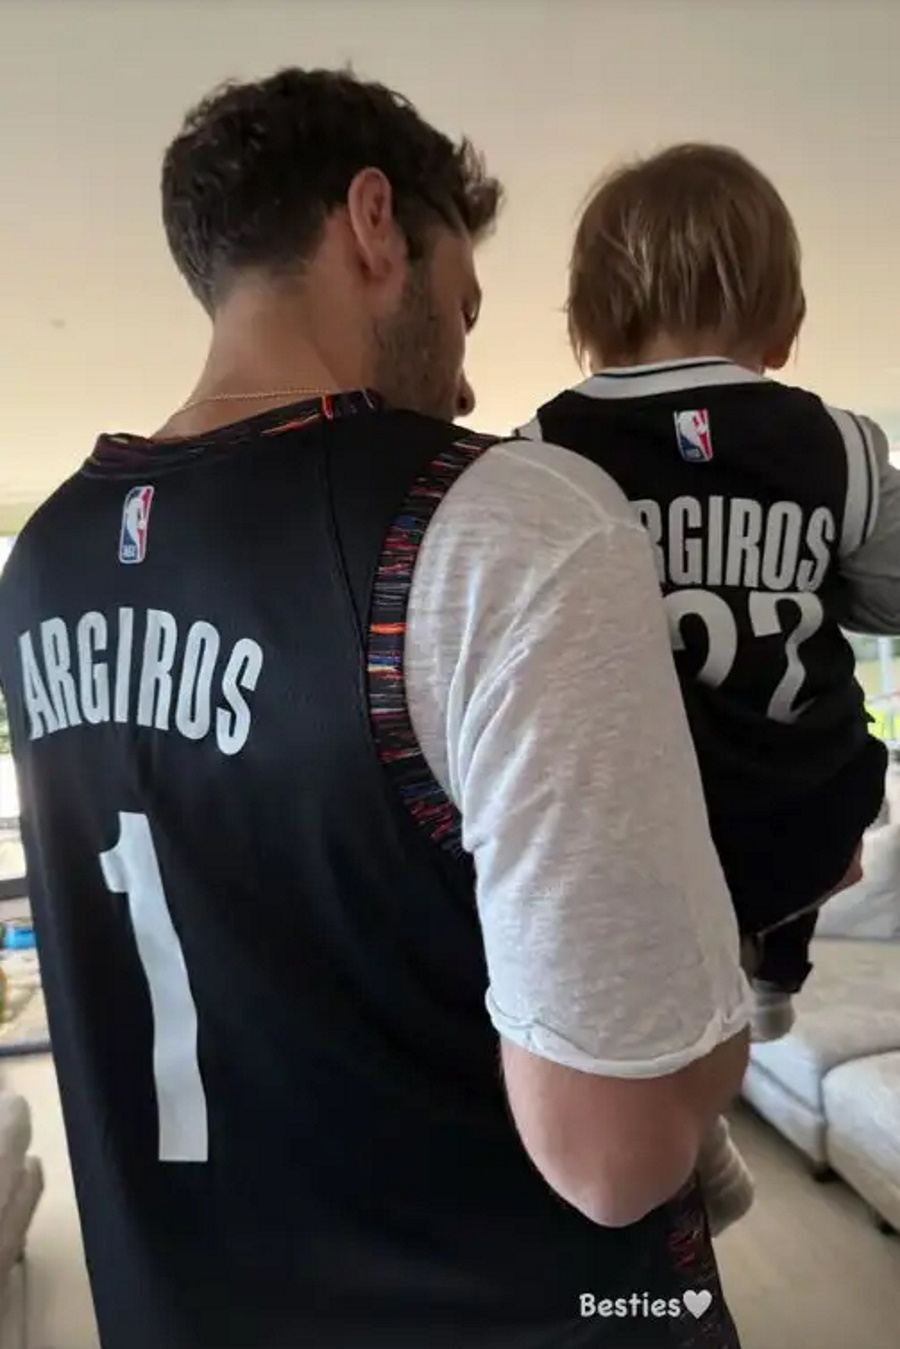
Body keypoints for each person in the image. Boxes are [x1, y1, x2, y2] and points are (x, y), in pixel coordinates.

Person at [0, 75, 750, 1348]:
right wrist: (720, 1006)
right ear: (373, 223)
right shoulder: (504, 522)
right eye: (463, 307)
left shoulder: (42, 566)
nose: (463, 378)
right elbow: (614, 1151)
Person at [517, 142, 900, 1236]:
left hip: (642, 826)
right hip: (800, 816)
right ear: (785, 326)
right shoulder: (836, 444)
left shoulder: (547, 448)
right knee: (846, 764)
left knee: (609, 930)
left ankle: (686, 1128)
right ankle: (774, 977)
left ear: (589, 319)